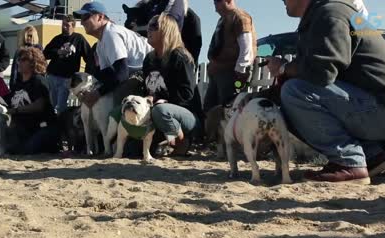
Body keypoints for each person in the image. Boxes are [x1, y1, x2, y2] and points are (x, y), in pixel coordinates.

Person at [266, 0, 385, 184]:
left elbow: (321, 72)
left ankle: (349, 163)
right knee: (290, 95)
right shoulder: (326, 13)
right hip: (379, 108)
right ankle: (374, 154)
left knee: (295, 92)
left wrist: (283, 68)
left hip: (383, 112)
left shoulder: (330, 13)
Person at [74, 1, 153, 107]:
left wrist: (97, 93)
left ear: (100, 17)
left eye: (85, 17)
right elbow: (107, 75)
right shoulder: (100, 43)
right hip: (141, 70)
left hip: (154, 68)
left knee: (118, 95)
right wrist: (88, 90)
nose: (82, 22)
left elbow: (121, 73)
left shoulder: (111, 34)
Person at [143, 14, 200, 155]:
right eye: (148, 25)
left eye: (154, 26)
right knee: (132, 151)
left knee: (160, 110)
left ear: (167, 30)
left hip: (187, 117)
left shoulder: (180, 58)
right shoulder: (149, 59)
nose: (148, 30)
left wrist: (159, 100)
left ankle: (182, 141)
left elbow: (187, 95)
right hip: (157, 114)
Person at [203, 0, 257, 114]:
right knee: (210, 110)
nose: (215, 7)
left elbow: (246, 47)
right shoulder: (223, 20)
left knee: (227, 110)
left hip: (230, 74)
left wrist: (241, 70)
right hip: (218, 73)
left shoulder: (240, 18)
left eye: (217, 2)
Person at [6, 47, 60, 154]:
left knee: (26, 150)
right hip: (24, 128)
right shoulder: (18, 84)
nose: (19, 63)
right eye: (19, 59)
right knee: (11, 149)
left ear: (33, 62)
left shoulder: (38, 81)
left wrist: (16, 111)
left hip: (42, 127)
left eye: (24, 59)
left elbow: (39, 106)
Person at [43, 15, 93, 114]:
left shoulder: (78, 39)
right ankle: (52, 126)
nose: (64, 27)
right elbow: (45, 53)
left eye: (67, 25)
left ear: (73, 26)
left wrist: (89, 73)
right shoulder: (57, 39)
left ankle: (60, 127)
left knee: (60, 106)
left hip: (67, 78)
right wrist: (58, 52)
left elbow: (89, 56)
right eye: (63, 24)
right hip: (52, 75)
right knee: (51, 105)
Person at [10, 25, 43, 90]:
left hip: (35, 82)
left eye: (30, 36)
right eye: (26, 36)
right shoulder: (19, 50)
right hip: (21, 82)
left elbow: (42, 67)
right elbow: (14, 69)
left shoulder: (39, 49)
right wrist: (12, 85)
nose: (28, 38)